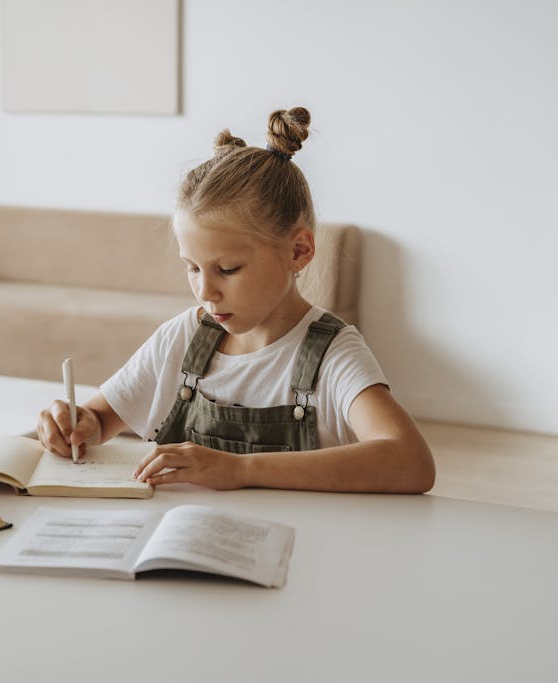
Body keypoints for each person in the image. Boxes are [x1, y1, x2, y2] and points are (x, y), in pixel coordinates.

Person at [37, 107, 435, 494]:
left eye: (227, 269)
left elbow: (411, 463)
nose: (205, 292)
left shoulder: (333, 355)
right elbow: (102, 416)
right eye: (193, 268)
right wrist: (79, 421)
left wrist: (240, 468)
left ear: (298, 251)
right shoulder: (184, 337)